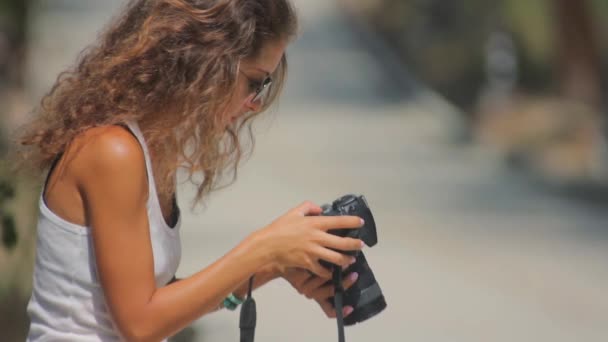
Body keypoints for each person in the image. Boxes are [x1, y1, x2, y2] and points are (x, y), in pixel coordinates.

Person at [15, 0, 364, 341]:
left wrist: (271, 268)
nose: (255, 102)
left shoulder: (150, 149)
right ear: (207, 61)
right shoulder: (112, 151)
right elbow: (140, 325)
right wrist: (263, 248)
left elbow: (153, 301)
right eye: (255, 82)